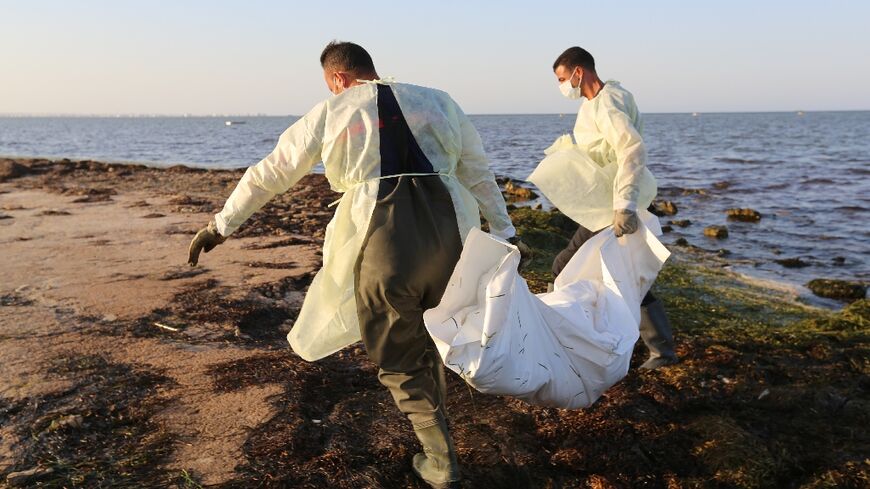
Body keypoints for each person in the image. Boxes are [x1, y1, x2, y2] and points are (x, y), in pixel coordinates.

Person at [187, 41, 527, 489]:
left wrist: (221, 225)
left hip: (383, 239)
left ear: (337, 79)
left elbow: (272, 171)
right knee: (433, 335)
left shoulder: (333, 111)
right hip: (452, 235)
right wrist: (505, 232)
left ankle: (441, 462)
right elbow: (479, 171)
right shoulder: (438, 100)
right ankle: (438, 436)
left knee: (398, 354)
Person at [551, 46, 678, 370]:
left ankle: (570, 337)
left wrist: (624, 205)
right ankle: (654, 349)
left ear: (579, 72)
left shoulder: (607, 105)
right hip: (604, 203)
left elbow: (631, 150)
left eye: (563, 78)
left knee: (566, 266)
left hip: (615, 206)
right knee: (624, 274)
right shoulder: (597, 102)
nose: (562, 86)